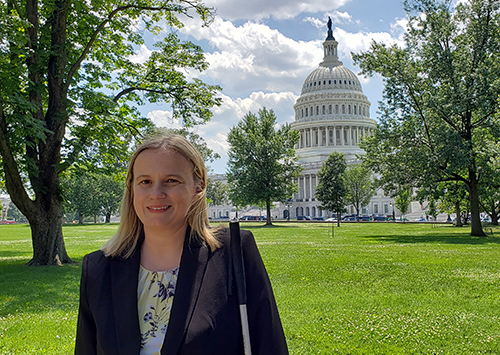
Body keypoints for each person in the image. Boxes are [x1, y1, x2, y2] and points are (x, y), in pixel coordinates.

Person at [75, 133, 288, 355]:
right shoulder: (99, 268)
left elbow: (270, 346)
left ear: (198, 187)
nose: (156, 193)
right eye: (145, 182)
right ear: (131, 189)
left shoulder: (233, 252)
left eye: (171, 181)